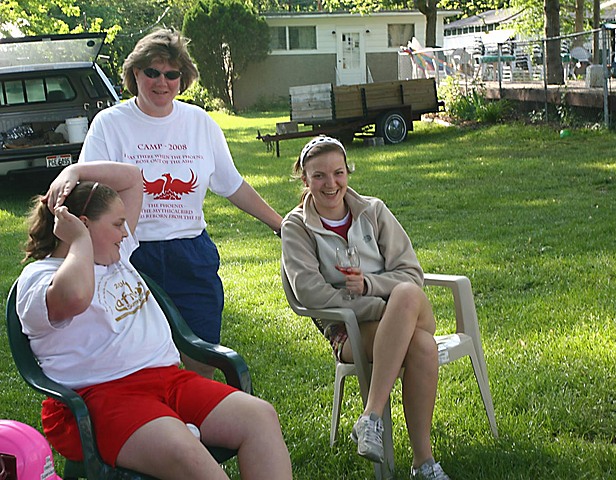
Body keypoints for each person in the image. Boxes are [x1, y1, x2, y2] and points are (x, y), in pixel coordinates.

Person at [17, 161, 292, 480]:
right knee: (191, 458)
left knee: (260, 417)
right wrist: (79, 242)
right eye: (117, 224)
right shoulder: (38, 278)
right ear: (82, 225)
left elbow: (133, 178)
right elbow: (76, 297)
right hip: (101, 399)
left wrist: (74, 173)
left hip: (168, 381)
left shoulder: (117, 254)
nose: (126, 233)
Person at [74, 28, 283, 378]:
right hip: (129, 256)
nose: (161, 82)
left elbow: (232, 185)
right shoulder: (109, 126)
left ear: (182, 79)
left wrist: (280, 224)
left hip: (191, 255)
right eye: (151, 72)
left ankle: (195, 426)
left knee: (200, 356)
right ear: (134, 73)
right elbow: (89, 191)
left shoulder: (200, 123)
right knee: (138, 361)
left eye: (172, 74)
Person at [280, 136, 451, 480]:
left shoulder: (373, 210)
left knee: (405, 294)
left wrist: (371, 286)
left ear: (348, 172)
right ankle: (423, 463)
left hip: (404, 306)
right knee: (422, 345)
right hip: (350, 329)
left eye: (338, 173)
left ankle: (370, 416)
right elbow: (309, 292)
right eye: (319, 176)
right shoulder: (296, 226)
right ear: (304, 179)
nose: (331, 184)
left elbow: (411, 273)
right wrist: (374, 306)